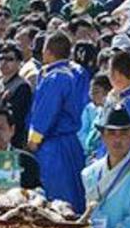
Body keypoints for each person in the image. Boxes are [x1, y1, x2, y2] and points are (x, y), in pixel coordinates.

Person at [28, 31, 89, 212]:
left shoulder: (55, 78)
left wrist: (33, 142)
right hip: (71, 142)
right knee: (74, 193)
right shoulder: (75, 73)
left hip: (54, 146)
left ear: (47, 51)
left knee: (57, 198)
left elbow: (44, 114)